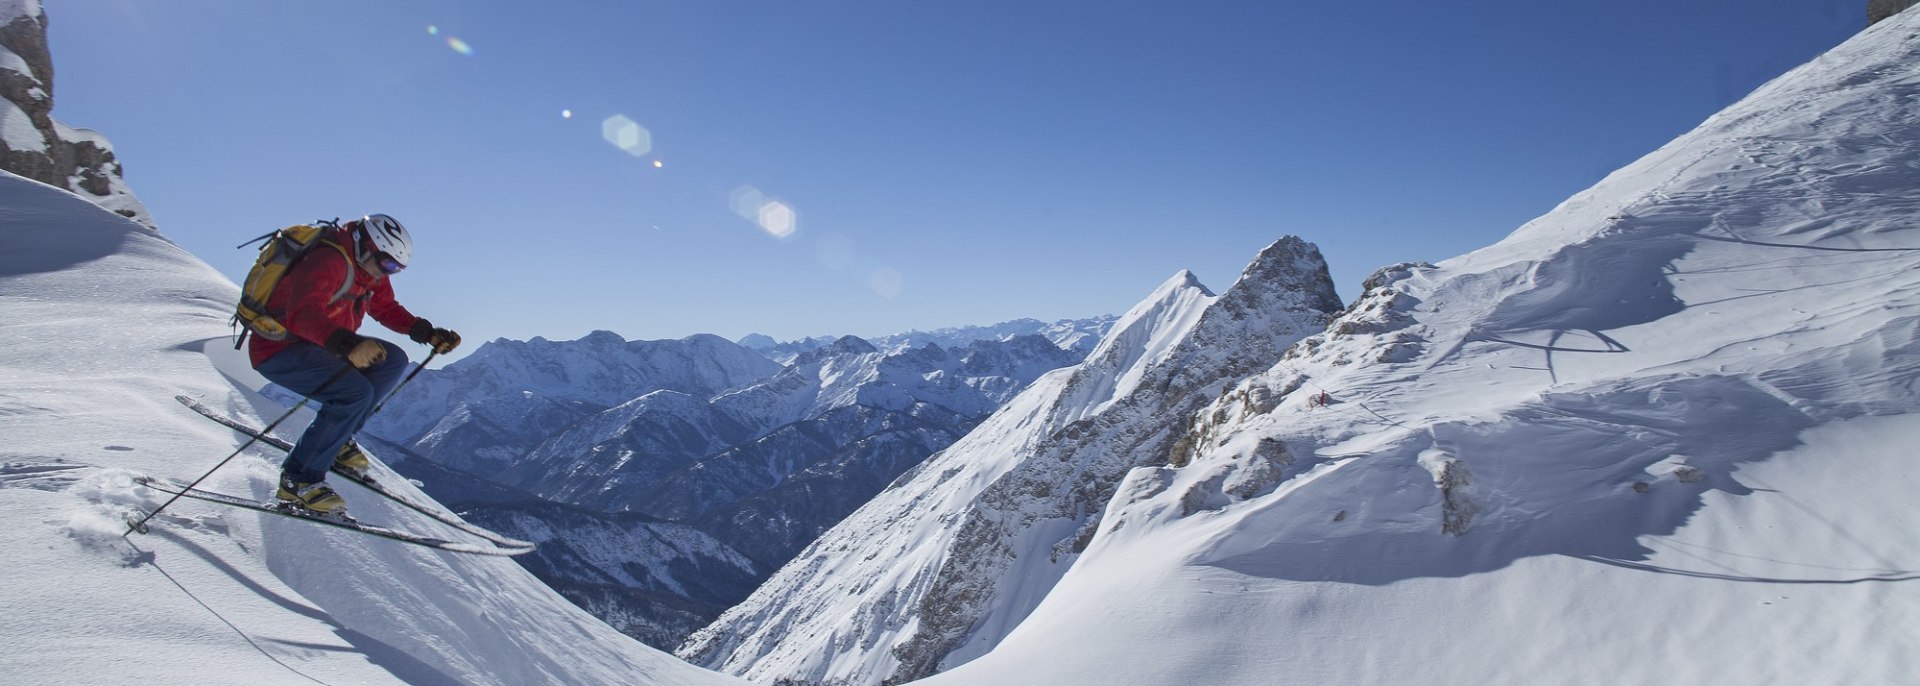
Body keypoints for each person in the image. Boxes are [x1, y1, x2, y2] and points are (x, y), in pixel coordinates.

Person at [247, 213, 460, 515]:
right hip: (279, 348)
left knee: (393, 360)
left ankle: (337, 440)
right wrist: (349, 345)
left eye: (396, 269)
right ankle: (299, 480)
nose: (389, 272)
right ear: (365, 245)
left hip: (319, 347)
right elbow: (302, 315)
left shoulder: (368, 270)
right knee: (352, 393)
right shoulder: (327, 261)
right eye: (388, 264)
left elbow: (385, 307)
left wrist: (427, 333)